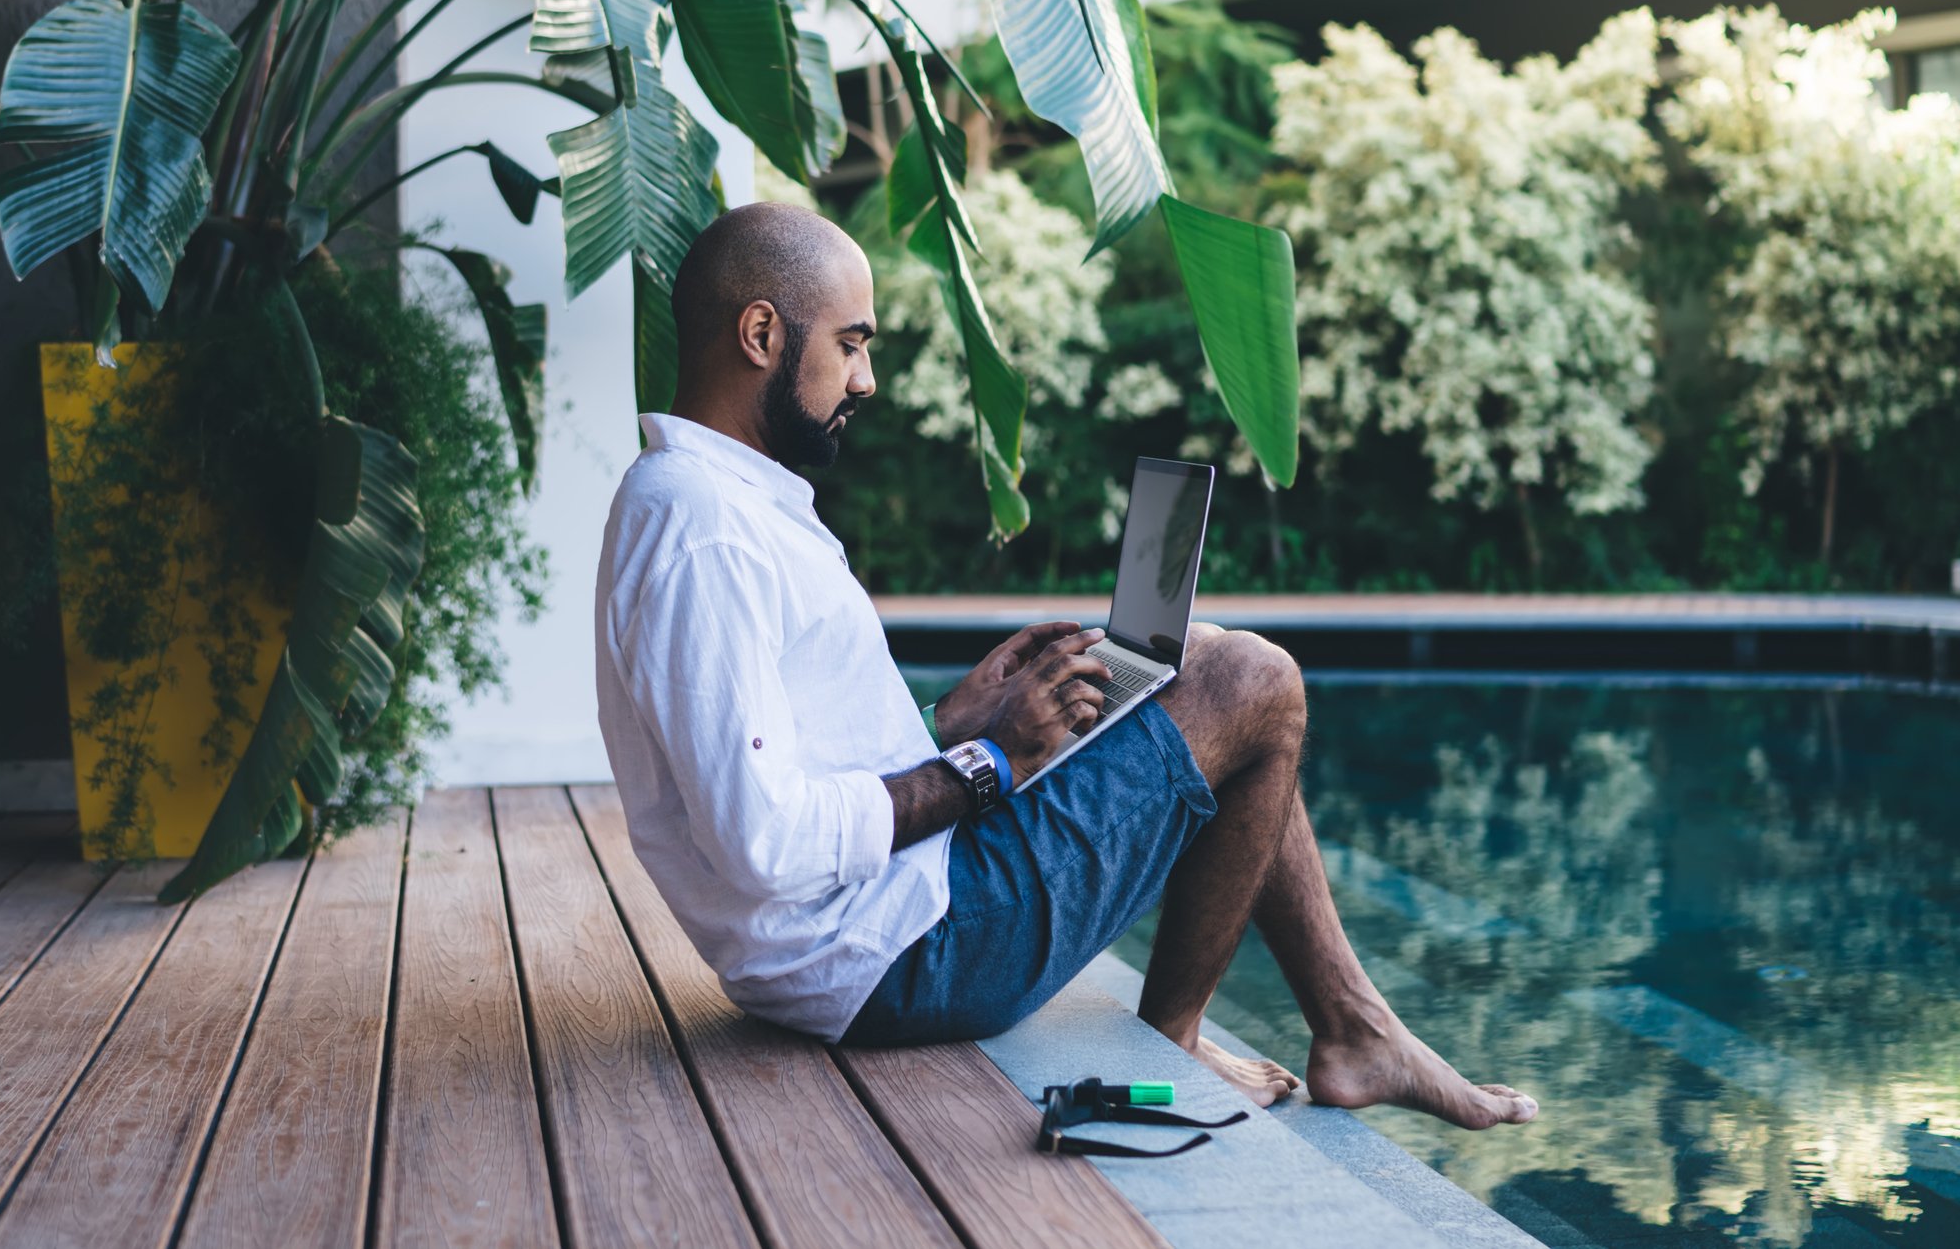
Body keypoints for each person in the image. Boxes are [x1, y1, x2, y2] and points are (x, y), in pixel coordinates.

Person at [592, 202, 1536, 1127]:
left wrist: (947, 724)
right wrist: (992, 759)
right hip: (898, 957)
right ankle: (1193, 1035)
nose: (866, 378)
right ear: (761, 332)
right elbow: (764, 843)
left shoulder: (718, 501)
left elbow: (781, 764)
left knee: (1195, 657)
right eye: (851, 343)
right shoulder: (702, 529)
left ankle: (1350, 1029)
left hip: (885, 918)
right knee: (1257, 684)